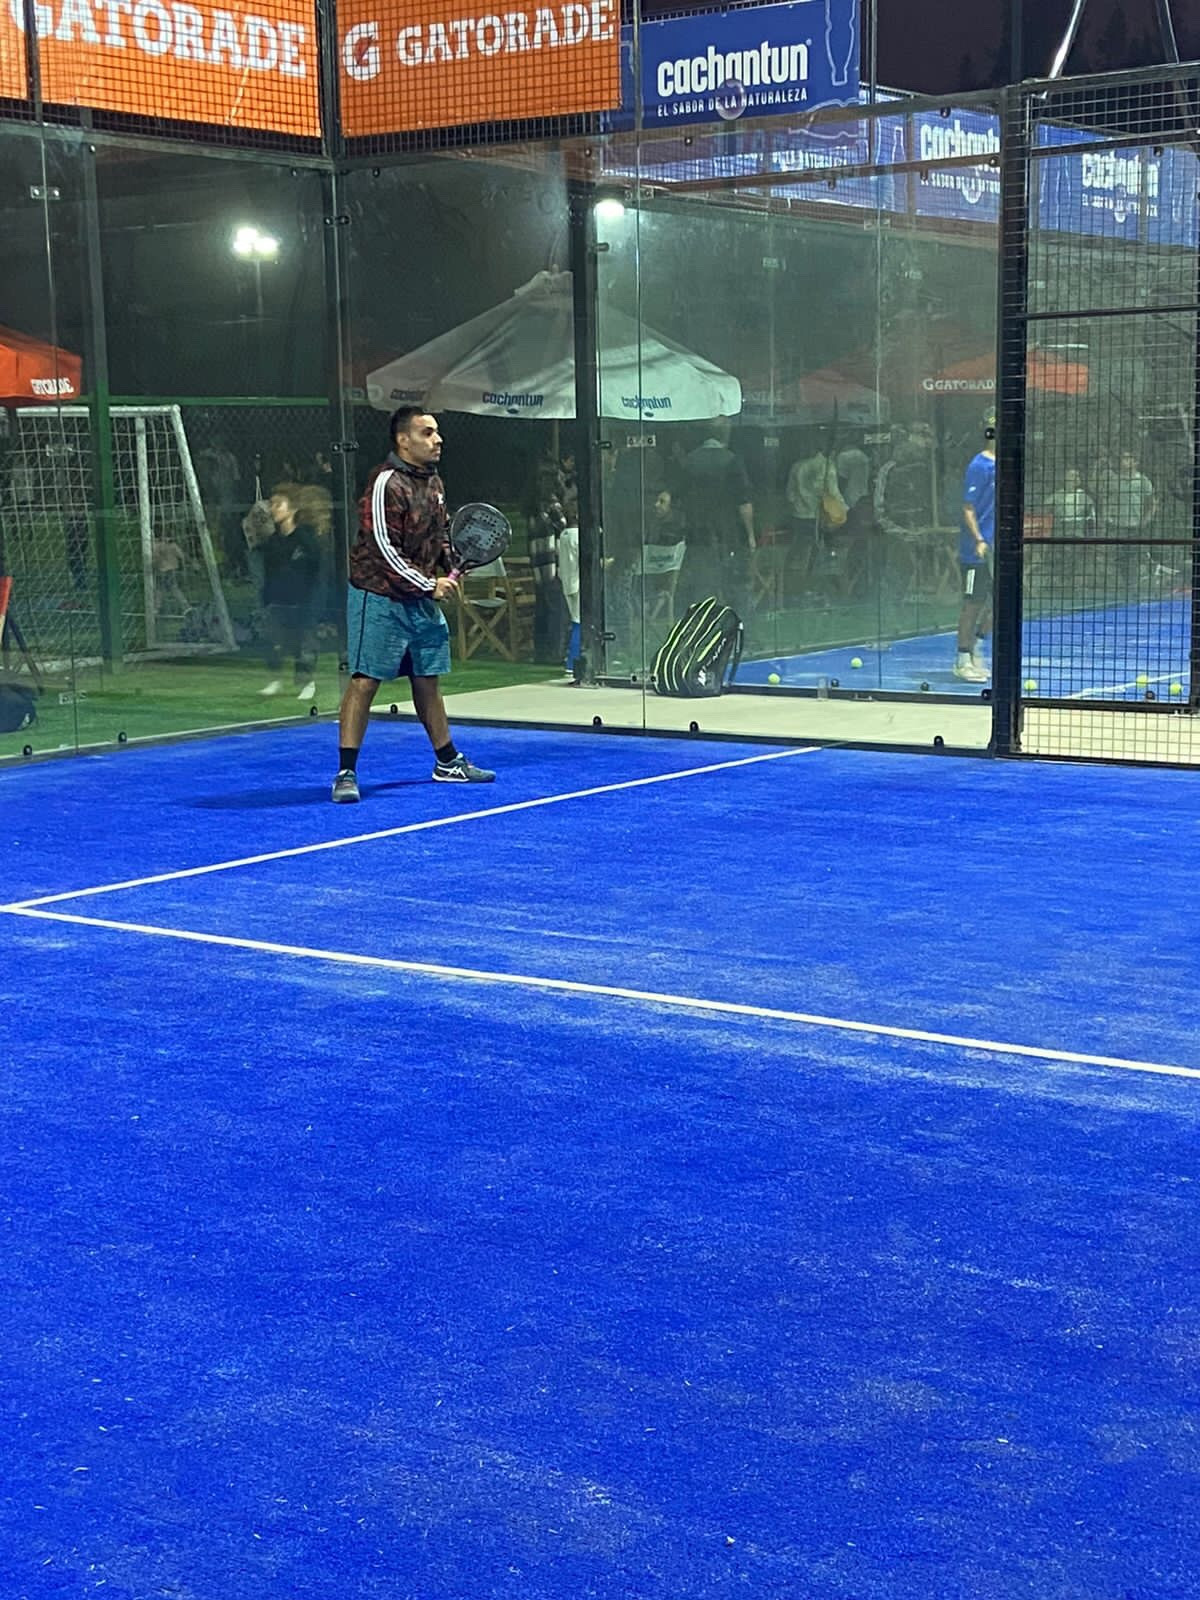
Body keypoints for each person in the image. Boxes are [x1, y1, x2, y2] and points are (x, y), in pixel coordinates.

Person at [331, 407, 493, 804]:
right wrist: (429, 584)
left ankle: (447, 761)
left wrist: (450, 561)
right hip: (379, 597)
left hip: (418, 600)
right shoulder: (385, 482)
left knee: (427, 679)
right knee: (365, 680)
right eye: (427, 433)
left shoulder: (434, 481)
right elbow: (383, 548)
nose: (438, 440)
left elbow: (439, 535)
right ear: (403, 440)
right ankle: (346, 772)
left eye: (437, 433)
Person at [678, 417, 755, 618]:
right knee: (734, 584)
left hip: (697, 533)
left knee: (702, 584)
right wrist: (750, 535)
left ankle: (703, 624)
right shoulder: (732, 461)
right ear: (726, 434)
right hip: (728, 534)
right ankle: (734, 624)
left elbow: (680, 498)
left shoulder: (689, 461)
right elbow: (744, 503)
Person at [259, 483, 323, 701]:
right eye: (272, 504)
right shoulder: (273, 542)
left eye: (279, 504)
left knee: (303, 642)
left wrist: (310, 595)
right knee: (275, 639)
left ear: (292, 509)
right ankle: (275, 679)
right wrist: (267, 596)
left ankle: (307, 682)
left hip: (303, 599)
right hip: (278, 599)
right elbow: (268, 571)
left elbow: (315, 567)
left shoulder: (305, 539)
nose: (273, 509)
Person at [954, 412, 996, 683]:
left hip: (1001, 548)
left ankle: (977, 647)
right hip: (976, 551)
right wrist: (979, 539)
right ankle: (962, 660)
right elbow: (968, 507)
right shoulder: (979, 466)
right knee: (973, 604)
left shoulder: (1008, 465)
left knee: (1002, 604)